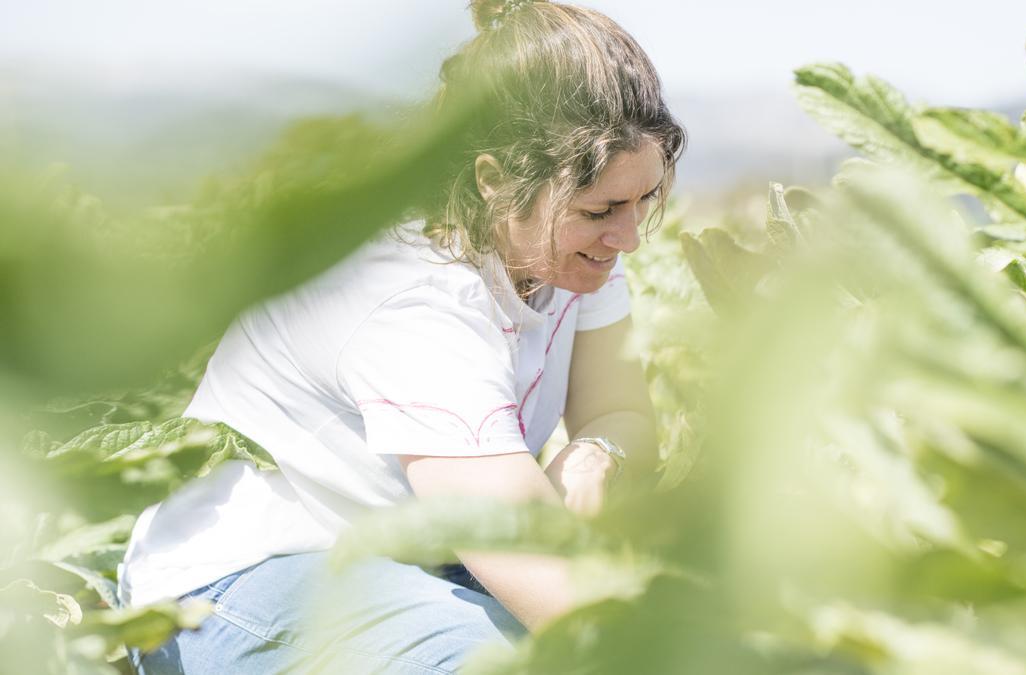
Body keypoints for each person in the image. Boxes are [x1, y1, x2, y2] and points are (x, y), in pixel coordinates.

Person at [117, 0, 686, 672]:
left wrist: (598, 451)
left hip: (417, 565)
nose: (627, 236)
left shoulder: (570, 251)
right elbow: (536, 563)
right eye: (602, 210)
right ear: (495, 183)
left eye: (644, 200)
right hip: (242, 580)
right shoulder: (413, 296)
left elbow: (621, 411)